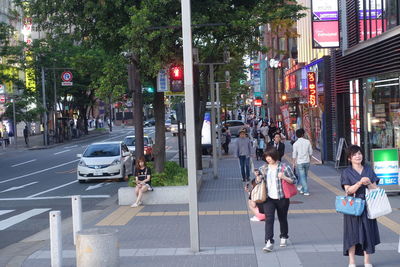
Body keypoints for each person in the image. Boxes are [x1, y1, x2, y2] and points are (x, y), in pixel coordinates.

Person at [341, 145, 379, 267]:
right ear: (349, 158)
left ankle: (367, 261)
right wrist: (359, 183)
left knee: (368, 232)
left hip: (368, 206)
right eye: (355, 154)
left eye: (360, 154)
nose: (358, 156)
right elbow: (348, 190)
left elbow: (376, 188)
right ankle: (351, 262)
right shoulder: (346, 172)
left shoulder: (368, 169)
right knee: (352, 234)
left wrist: (369, 183)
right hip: (352, 207)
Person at [258, 148, 297, 252]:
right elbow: (259, 182)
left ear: (275, 156)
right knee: (269, 219)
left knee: (282, 218)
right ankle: (269, 241)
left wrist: (284, 177)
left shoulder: (284, 167)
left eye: (269, 156)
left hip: (282, 198)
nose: (268, 158)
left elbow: (294, 180)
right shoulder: (263, 168)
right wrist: (257, 179)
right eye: (266, 157)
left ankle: (284, 236)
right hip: (268, 198)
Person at [292, 129, 312, 196]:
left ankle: (306, 190)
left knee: (302, 176)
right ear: (303, 134)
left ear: (297, 135)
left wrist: (293, 163)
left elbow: (294, 154)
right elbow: (311, 152)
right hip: (307, 161)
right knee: (305, 176)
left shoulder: (295, 144)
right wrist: (310, 159)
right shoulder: (307, 142)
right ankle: (303, 189)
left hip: (300, 162)